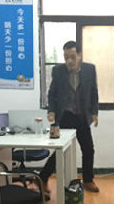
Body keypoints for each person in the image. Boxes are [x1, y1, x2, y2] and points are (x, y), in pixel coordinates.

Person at [39, 40, 100, 193]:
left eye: (72, 57)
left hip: (82, 116)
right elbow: (52, 93)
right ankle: (42, 178)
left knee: (88, 149)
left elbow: (94, 92)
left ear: (79, 55)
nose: (69, 61)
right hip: (65, 116)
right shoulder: (58, 71)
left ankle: (88, 180)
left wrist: (94, 113)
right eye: (66, 57)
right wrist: (51, 110)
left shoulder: (90, 69)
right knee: (60, 151)